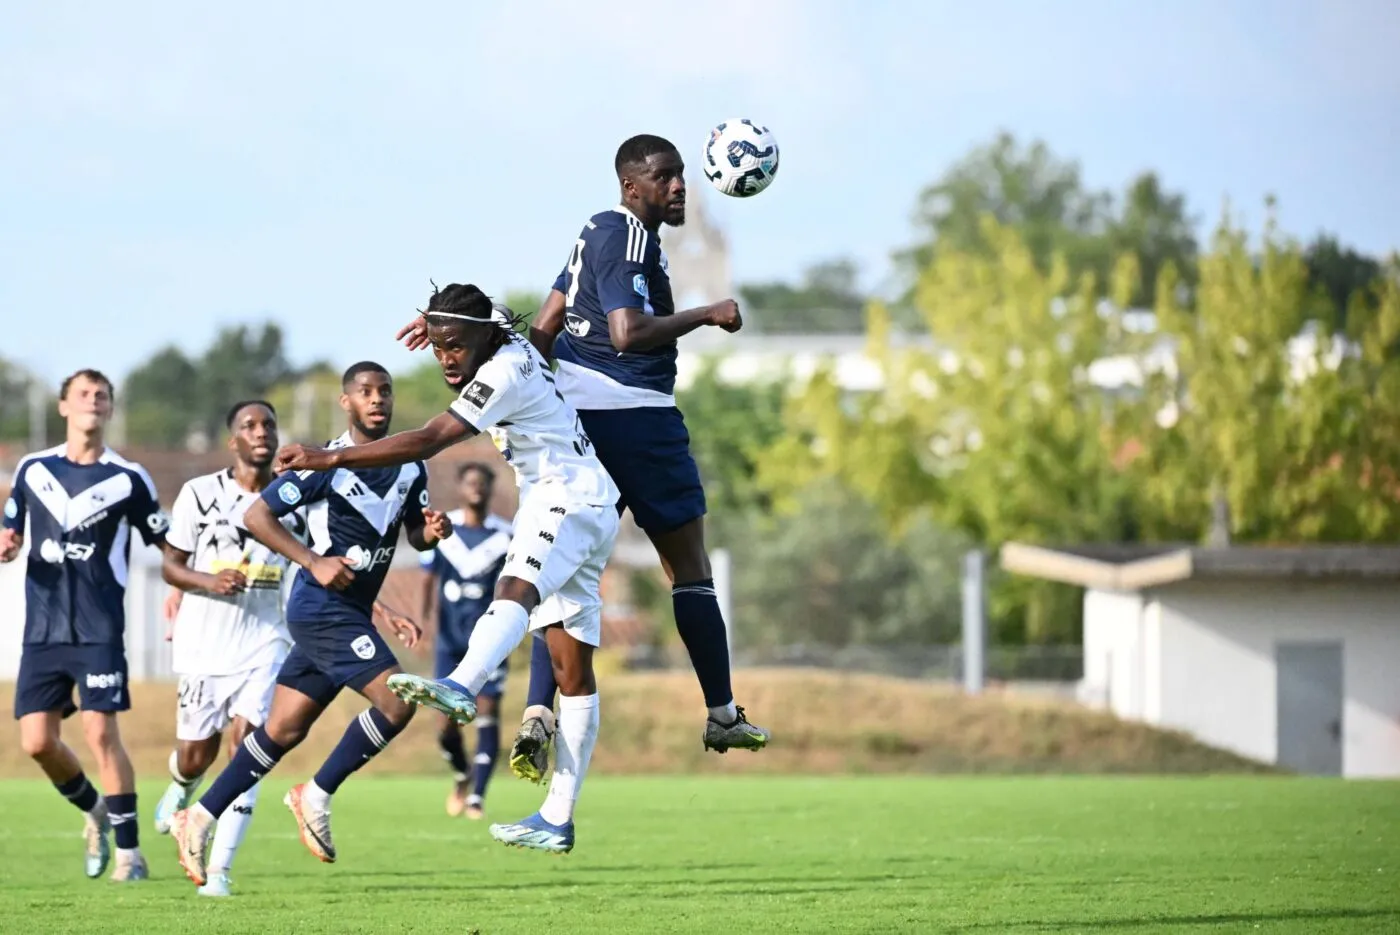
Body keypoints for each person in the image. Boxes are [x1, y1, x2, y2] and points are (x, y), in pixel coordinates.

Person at [397, 134, 769, 784]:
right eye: (665, 176)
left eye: (681, 175)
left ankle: (538, 708)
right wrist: (709, 313)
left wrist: (500, 371)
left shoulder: (593, 234)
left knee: (564, 561)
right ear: (631, 186)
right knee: (688, 566)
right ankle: (721, 712)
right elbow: (627, 333)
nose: (678, 187)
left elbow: (543, 328)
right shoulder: (626, 236)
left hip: (576, 425)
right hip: (638, 419)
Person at [283, 283, 618, 854]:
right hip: (592, 502)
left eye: (456, 345)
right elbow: (526, 309)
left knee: (515, 586)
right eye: (438, 347)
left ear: (485, 336)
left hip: (562, 497)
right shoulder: (509, 341)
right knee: (572, 670)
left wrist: (330, 456)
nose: (445, 358)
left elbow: (428, 438)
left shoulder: (503, 373)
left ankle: (462, 684)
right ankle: (557, 817)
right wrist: (442, 322)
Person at [170, 362, 443, 887]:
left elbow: (415, 534)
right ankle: (315, 794)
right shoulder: (324, 463)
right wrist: (313, 561)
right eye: (365, 392)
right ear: (346, 402)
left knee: (283, 730)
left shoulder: (411, 466)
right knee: (397, 701)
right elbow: (256, 516)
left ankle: (197, 818)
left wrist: (433, 531)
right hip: (320, 607)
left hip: (351, 611)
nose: (377, 399)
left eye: (385, 391)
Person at [0, 368, 169, 882]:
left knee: (100, 732)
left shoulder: (128, 478)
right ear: (63, 406)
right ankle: (95, 811)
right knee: (36, 743)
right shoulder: (33, 469)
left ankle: (130, 856)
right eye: (84, 394)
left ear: (111, 409)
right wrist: (8, 544)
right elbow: (11, 531)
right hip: (43, 629)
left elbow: (169, 546)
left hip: (99, 628)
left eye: (102, 395)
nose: (93, 401)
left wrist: (181, 590)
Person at [151, 400, 305, 897]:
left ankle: (218, 870)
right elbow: (171, 566)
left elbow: (319, 560)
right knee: (196, 755)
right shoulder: (199, 494)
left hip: (267, 640)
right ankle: (182, 785)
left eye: (269, 425)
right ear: (232, 440)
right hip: (204, 645)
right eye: (249, 426)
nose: (261, 432)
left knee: (249, 747)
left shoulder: (295, 497)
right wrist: (208, 581)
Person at [418, 462, 513, 819]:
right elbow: (427, 578)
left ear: (491, 489)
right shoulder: (444, 530)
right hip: (449, 639)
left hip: (489, 639)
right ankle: (462, 774)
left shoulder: (506, 536)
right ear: (460, 488)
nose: (477, 488)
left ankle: (477, 798)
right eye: (471, 482)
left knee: (487, 713)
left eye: (483, 483)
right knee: (445, 724)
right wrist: (423, 622)